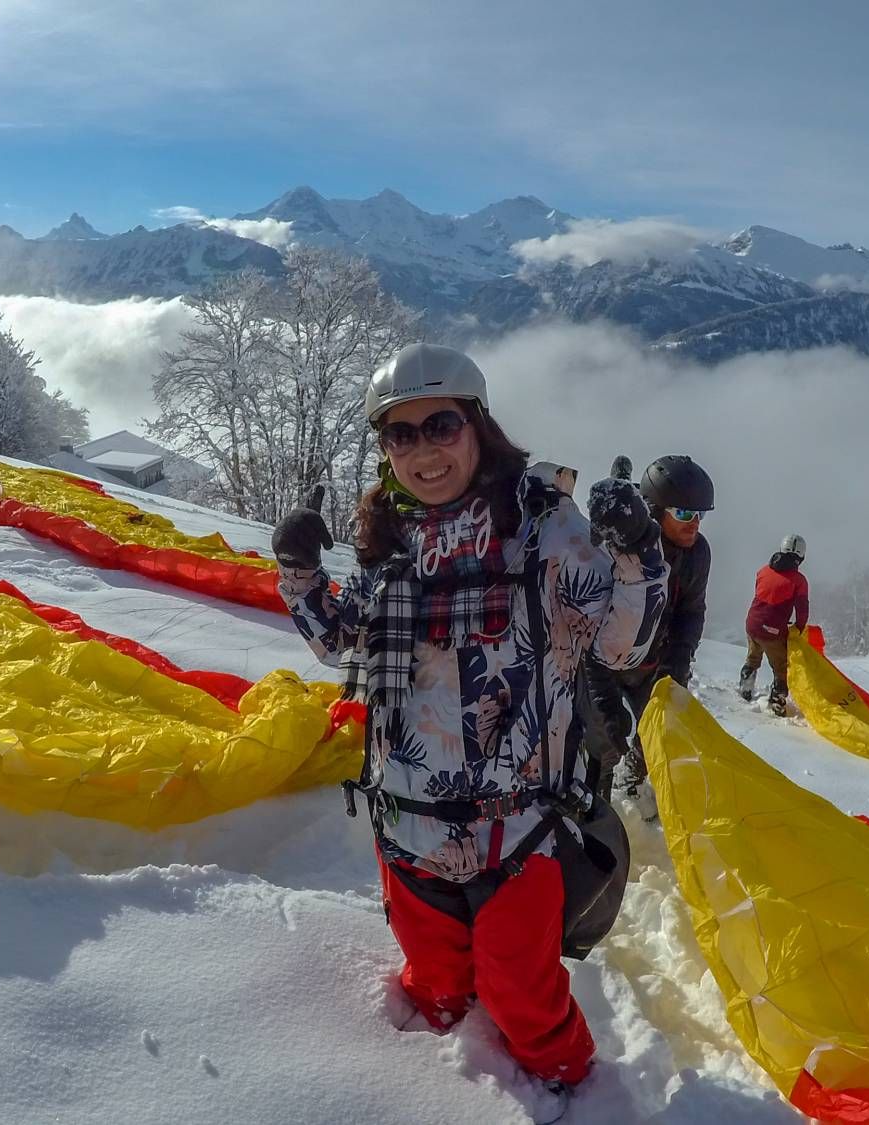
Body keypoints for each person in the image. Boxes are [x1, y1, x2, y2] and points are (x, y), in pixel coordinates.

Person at [270, 342, 667, 1109]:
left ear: (477, 423)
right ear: (385, 447)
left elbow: (622, 641)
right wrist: (300, 574)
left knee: (528, 1002)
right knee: (437, 984)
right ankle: (437, 1087)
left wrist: (639, 551)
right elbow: (340, 638)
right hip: (407, 826)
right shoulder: (389, 533)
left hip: (514, 832)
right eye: (401, 433)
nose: (423, 450)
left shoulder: (542, 527)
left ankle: (580, 1097)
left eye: (441, 424)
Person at [580, 454, 714, 809]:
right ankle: (598, 806)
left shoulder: (697, 553)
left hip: (652, 661)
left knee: (657, 729)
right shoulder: (617, 552)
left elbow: (691, 611)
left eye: (700, 514)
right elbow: (589, 634)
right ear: (655, 511)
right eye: (684, 514)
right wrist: (606, 703)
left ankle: (635, 783)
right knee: (603, 738)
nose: (695, 524)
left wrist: (678, 664)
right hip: (604, 663)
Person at [739, 534, 809, 716]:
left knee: (753, 658)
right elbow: (802, 610)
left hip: (752, 623)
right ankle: (777, 704)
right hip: (772, 631)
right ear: (801, 556)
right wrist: (799, 628)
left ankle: (745, 691)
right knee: (781, 668)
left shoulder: (763, 571)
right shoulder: (798, 581)